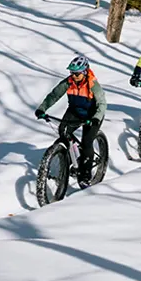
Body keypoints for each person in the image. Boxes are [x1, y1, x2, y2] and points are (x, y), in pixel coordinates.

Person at [35, 55, 106, 185]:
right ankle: (66, 159)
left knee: (87, 142)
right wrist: (42, 109)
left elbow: (102, 104)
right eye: (72, 73)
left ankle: (85, 175)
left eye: (77, 74)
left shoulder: (93, 85)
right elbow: (54, 95)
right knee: (63, 131)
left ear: (84, 72)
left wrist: (96, 119)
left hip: (93, 115)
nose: (74, 76)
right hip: (75, 111)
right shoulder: (68, 82)